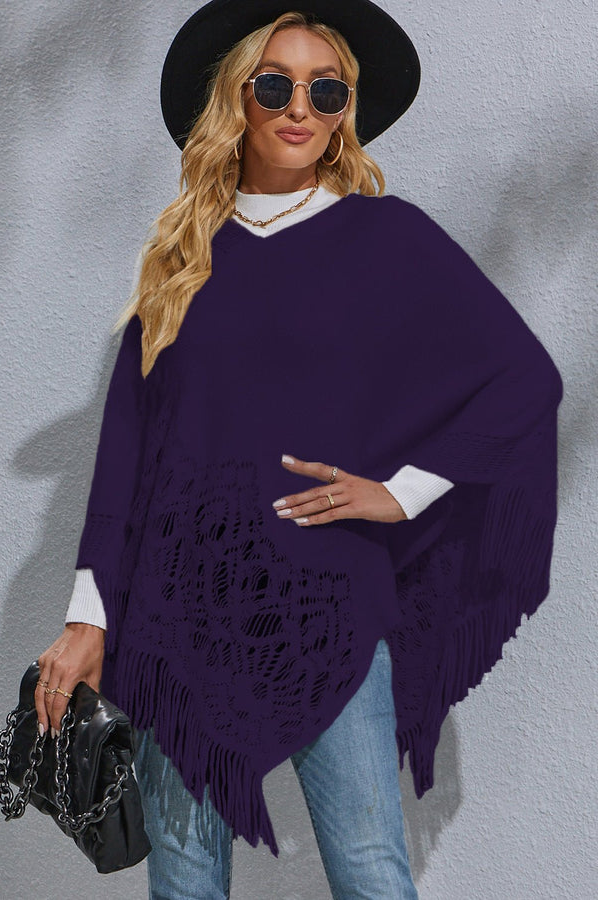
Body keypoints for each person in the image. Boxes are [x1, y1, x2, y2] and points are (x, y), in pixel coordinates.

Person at [33, 3, 563, 899]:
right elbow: (127, 452)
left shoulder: (388, 238)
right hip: (180, 618)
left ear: (346, 110)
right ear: (234, 97)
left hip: (328, 606)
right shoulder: (183, 254)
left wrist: (401, 491)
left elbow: (523, 379)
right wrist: (90, 615)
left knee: (370, 873)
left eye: (328, 91)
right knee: (184, 885)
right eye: (275, 84)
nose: (300, 109)